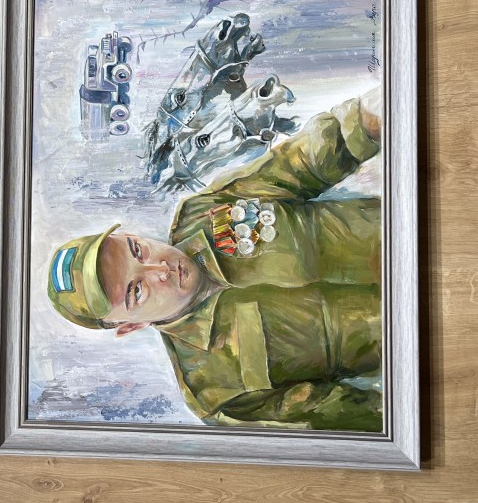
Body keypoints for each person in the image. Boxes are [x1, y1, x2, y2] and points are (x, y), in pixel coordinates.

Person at [46, 90, 384, 432]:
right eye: (137, 291)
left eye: (138, 251)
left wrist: (368, 118)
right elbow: (348, 417)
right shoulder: (213, 390)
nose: (161, 269)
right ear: (130, 327)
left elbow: (301, 164)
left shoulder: (202, 213)